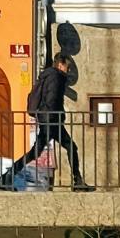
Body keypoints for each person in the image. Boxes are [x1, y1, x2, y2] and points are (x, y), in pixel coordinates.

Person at [25, 35, 82, 190]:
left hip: (49, 120)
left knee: (36, 152)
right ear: (60, 64)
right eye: (67, 67)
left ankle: (78, 180)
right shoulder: (56, 77)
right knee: (71, 146)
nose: (68, 70)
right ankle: (77, 181)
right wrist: (55, 117)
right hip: (51, 121)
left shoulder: (49, 76)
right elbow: (51, 100)